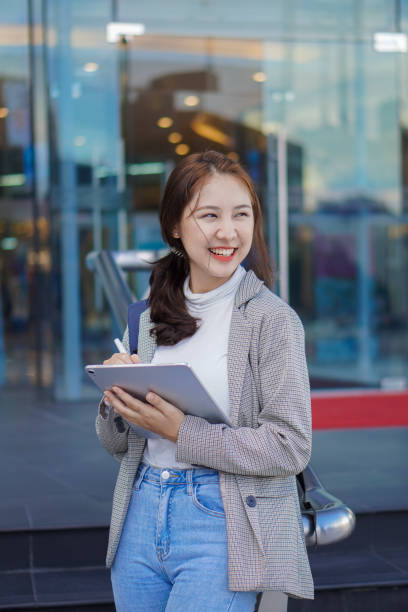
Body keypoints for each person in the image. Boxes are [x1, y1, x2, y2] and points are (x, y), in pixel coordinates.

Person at [96, 150, 314, 611]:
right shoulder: (150, 314)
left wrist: (181, 431)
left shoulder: (272, 321)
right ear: (175, 224)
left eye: (241, 215)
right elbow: (120, 446)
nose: (228, 232)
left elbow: (290, 445)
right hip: (141, 511)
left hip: (222, 519)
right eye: (209, 215)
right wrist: (116, 399)